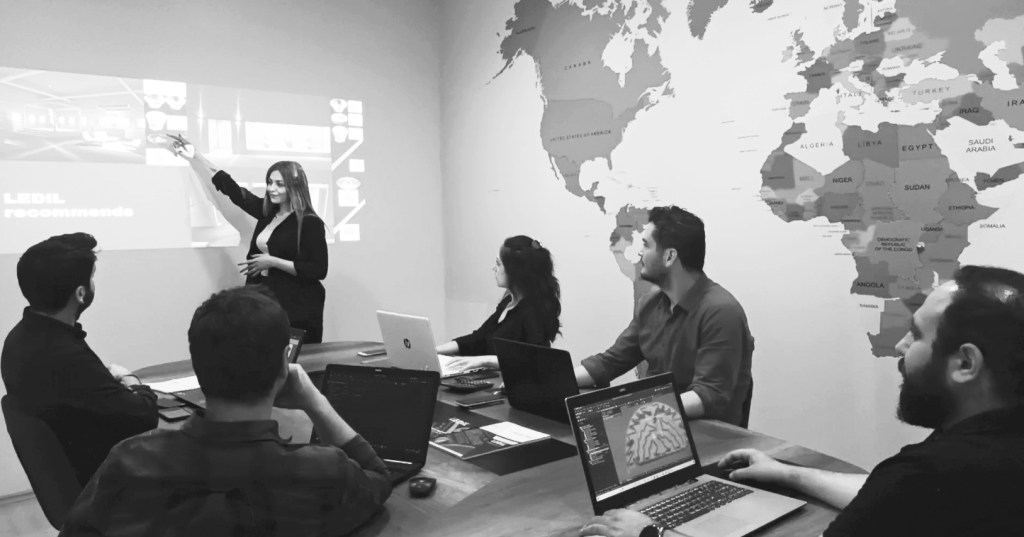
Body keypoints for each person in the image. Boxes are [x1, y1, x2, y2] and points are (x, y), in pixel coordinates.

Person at [580, 265, 1024, 537]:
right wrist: (786, 472)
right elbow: (889, 496)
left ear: (965, 363)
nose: (902, 346)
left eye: (917, 334)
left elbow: (903, 492)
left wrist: (652, 534)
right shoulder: (989, 446)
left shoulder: (932, 473)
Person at [60, 286, 392, 536]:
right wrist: (314, 401)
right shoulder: (322, 473)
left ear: (197, 367)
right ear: (284, 366)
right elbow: (377, 477)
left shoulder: (129, 461)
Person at [573, 206, 754, 426]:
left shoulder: (721, 312)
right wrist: (557, 383)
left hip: (707, 435)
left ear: (669, 256)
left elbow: (709, 395)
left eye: (646, 245)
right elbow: (610, 363)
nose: (640, 253)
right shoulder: (651, 303)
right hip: (654, 427)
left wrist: (633, 410)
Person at [1, 232, 157, 486]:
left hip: (75, 477)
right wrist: (130, 379)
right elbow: (145, 416)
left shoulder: (20, 338)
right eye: (92, 277)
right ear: (81, 293)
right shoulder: (64, 356)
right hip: (107, 485)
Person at [167, 134, 329, 343]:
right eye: (269, 182)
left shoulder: (310, 222)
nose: (271, 189)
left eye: (279, 184)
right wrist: (196, 156)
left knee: (292, 359)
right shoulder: (268, 212)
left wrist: (273, 261)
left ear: (294, 187)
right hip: (266, 300)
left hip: (297, 307)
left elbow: (319, 270)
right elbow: (234, 191)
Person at [438, 235, 561, 371]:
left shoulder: (533, 311)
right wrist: (435, 351)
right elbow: (479, 338)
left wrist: (486, 360)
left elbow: (535, 360)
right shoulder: (508, 302)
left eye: (498, 263)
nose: (493, 268)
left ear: (514, 271)